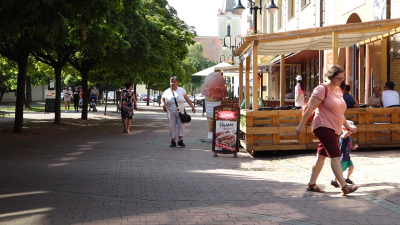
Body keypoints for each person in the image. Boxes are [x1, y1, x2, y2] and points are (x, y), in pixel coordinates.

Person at [295, 65, 359, 196]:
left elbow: (340, 112)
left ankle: (312, 184)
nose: (341, 80)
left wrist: (346, 125)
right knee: (335, 156)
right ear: (331, 76)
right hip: (323, 126)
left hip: (334, 128)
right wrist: (301, 125)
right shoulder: (321, 89)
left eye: (342, 78)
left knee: (321, 157)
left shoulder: (339, 91)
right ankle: (344, 186)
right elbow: (310, 109)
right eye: (338, 78)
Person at [162, 76, 196, 147]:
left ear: (177, 82)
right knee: (172, 125)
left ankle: (180, 140)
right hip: (170, 111)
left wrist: (192, 107)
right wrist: (163, 105)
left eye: (174, 81)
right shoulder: (166, 91)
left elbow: (187, 99)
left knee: (181, 125)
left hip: (181, 111)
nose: (172, 83)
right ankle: (173, 141)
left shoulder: (181, 90)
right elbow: (162, 99)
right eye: (171, 81)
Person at [331, 121, 359, 188]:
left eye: (351, 129)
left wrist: (353, 147)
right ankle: (334, 181)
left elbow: (348, 146)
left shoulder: (349, 137)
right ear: (343, 129)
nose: (351, 131)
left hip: (347, 156)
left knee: (351, 167)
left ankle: (347, 178)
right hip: (343, 156)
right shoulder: (343, 136)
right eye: (349, 129)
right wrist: (347, 132)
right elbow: (343, 135)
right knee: (341, 170)